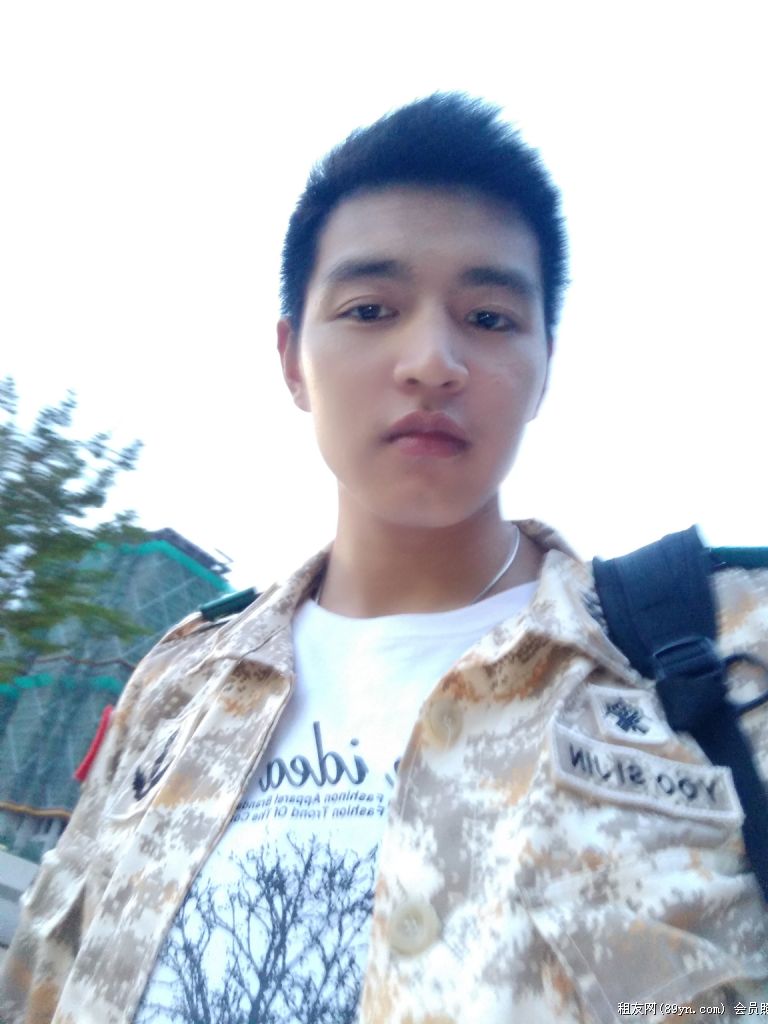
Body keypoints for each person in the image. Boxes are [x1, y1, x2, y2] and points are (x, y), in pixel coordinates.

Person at [2, 93, 767, 1024]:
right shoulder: (175, 687)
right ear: (292, 358)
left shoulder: (727, 654)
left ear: (545, 366)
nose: (433, 360)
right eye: (371, 309)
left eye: (490, 318)